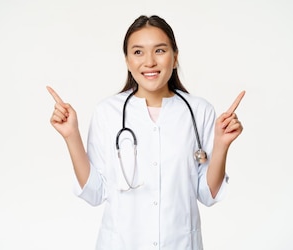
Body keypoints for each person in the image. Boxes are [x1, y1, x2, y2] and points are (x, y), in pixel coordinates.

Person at [47, 15, 245, 250]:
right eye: (138, 52)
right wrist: (71, 136)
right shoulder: (107, 112)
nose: (149, 62)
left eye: (160, 50)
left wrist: (222, 144)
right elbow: (95, 192)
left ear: (174, 58)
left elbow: (207, 194)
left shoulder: (199, 111)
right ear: (128, 61)